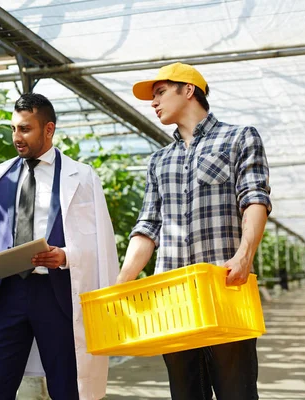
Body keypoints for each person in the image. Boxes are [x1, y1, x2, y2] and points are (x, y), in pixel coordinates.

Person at [0, 93, 119, 400]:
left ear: (49, 130)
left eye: (25, 129)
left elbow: (99, 242)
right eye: (13, 128)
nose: (17, 137)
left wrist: (65, 256)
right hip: (7, 294)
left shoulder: (81, 177)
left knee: (66, 387)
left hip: (56, 295)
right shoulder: (2, 174)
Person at [117, 62, 272, 400]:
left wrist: (245, 256)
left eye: (160, 92)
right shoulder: (159, 160)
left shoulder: (239, 138)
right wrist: (123, 280)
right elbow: (147, 227)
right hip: (171, 300)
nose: (153, 102)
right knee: (186, 393)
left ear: (188, 90)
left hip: (225, 287)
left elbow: (255, 199)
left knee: (237, 393)